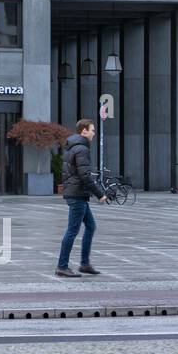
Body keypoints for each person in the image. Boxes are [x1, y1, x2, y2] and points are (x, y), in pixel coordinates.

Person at [56, 119, 106, 278]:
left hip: (78, 193)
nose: (94, 133)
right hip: (77, 194)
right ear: (83, 131)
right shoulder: (81, 148)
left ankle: (84, 264)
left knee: (90, 226)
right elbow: (85, 175)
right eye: (92, 130)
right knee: (72, 230)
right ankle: (62, 266)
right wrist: (100, 194)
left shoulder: (74, 146)